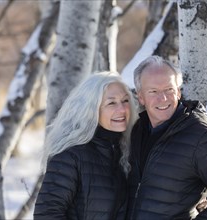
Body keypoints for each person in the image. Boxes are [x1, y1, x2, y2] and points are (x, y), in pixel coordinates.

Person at [126, 55, 207, 219]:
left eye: (169, 89)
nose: (162, 98)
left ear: (178, 92)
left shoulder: (201, 137)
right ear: (141, 97)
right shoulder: (135, 131)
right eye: (153, 91)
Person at [34, 71, 138, 219]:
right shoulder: (70, 156)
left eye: (125, 101)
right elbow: (46, 214)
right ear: (91, 109)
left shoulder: (125, 152)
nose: (122, 109)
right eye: (111, 103)